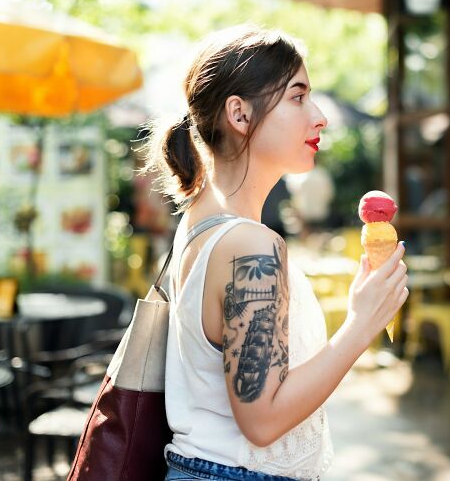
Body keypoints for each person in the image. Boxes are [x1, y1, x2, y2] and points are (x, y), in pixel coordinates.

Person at [143, 25, 409, 481]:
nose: (319, 116)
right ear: (240, 114)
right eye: (298, 97)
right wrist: (361, 324)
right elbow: (262, 420)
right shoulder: (250, 245)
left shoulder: (197, 226)